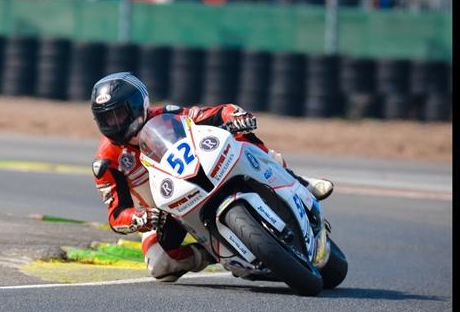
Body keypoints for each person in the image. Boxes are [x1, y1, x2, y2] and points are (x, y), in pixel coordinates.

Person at [90, 71, 334, 282]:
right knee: (159, 265)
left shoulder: (166, 115)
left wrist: (232, 115)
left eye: (118, 114)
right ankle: (211, 252)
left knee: (238, 137)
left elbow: (209, 115)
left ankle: (296, 180)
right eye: (106, 118)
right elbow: (116, 215)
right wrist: (141, 217)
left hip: (202, 173)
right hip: (162, 212)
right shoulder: (106, 161)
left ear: (137, 105)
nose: (114, 123)